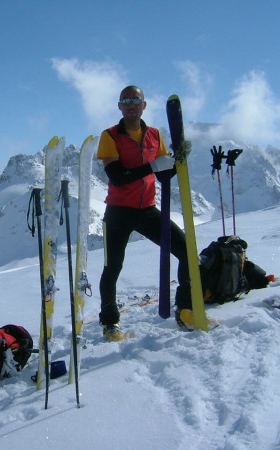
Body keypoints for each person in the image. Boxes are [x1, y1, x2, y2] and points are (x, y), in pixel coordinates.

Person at [97, 85, 194, 341]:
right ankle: (110, 322)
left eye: (135, 100)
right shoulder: (110, 136)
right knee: (112, 267)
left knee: (186, 250)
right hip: (118, 212)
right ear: (119, 106)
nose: (131, 104)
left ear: (144, 105)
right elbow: (117, 177)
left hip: (147, 209)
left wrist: (177, 160)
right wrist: (152, 165)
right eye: (126, 100)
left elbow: (163, 176)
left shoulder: (153, 135)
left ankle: (185, 309)